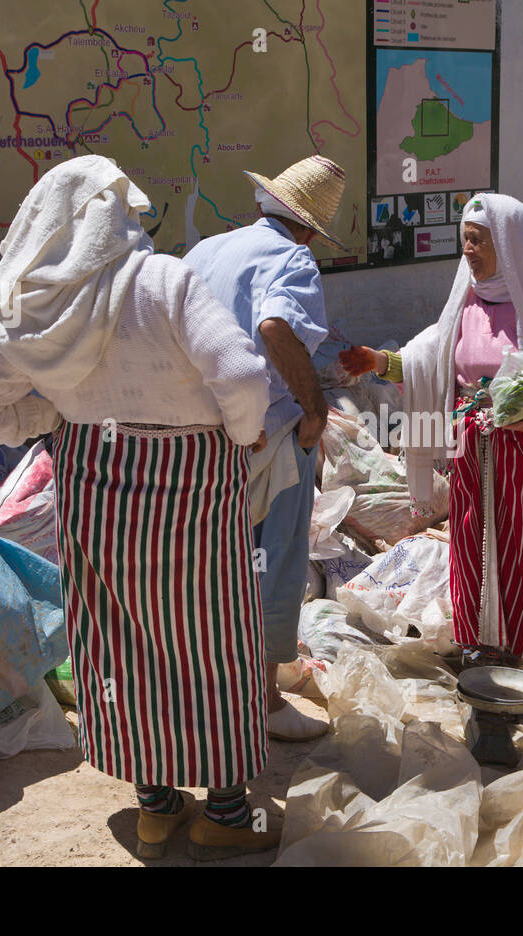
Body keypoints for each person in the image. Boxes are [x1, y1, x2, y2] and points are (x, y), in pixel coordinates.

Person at [0, 156, 279, 860]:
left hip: (96, 485)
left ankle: (153, 805)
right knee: (209, 638)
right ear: (115, 218)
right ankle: (228, 812)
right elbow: (241, 375)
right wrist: (242, 437)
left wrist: (43, 416)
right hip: (193, 486)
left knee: (121, 641)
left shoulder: (36, 308)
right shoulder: (164, 281)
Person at [338, 193, 523, 665]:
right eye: (464, 240)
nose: (468, 250)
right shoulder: (466, 304)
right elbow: (431, 359)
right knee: (473, 547)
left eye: (479, 241)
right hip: (474, 452)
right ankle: (482, 644)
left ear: (510, 244)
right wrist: (381, 362)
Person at [184, 155, 345, 744]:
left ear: (264, 205)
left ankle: (213, 682)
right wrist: (314, 409)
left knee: (213, 566)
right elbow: (276, 327)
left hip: (200, 441)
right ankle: (263, 699)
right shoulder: (292, 257)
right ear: (309, 228)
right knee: (272, 563)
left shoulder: (206, 251)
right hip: (267, 438)